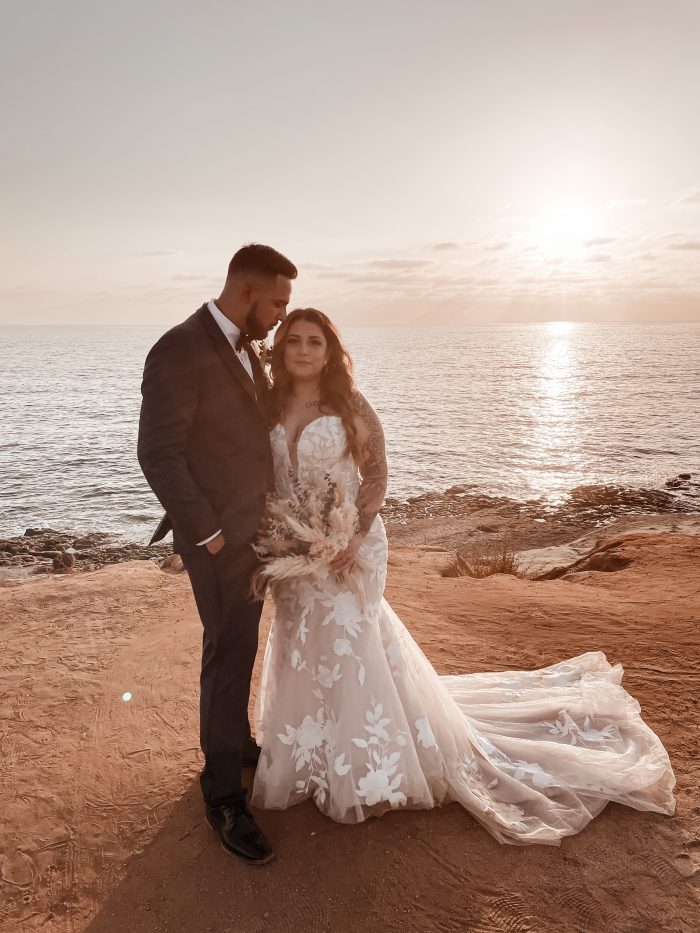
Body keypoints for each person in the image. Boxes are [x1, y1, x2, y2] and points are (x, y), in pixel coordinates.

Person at [250, 307, 676, 844]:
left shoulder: (349, 404)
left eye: (315, 342)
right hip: (296, 550)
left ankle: (364, 764)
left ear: (330, 351)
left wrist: (353, 535)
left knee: (347, 645)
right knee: (301, 646)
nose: (305, 350)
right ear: (282, 349)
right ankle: (307, 754)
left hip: (344, 546)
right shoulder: (269, 404)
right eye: (295, 342)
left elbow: (376, 470)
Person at [137, 244, 297, 864]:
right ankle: (223, 796)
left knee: (239, 647)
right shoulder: (179, 347)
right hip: (217, 541)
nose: (283, 316)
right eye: (278, 302)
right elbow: (159, 453)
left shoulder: (247, 346)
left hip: (251, 534)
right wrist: (209, 535)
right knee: (227, 650)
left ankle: (235, 742)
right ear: (249, 292)